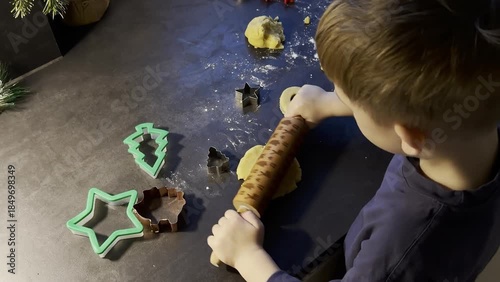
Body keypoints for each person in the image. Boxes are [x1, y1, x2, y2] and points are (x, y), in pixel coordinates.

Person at [207, 0, 500, 281]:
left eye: (348, 96)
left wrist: (248, 257)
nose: (338, 94)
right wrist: (331, 103)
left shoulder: (400, 246)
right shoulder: (476, 103)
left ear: (410, 136)